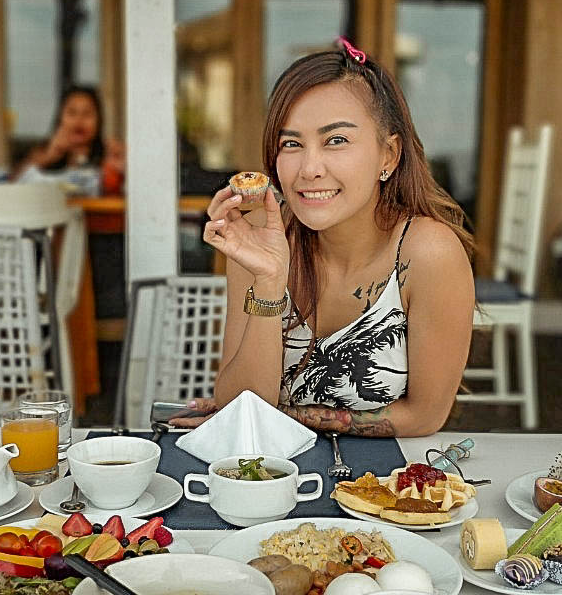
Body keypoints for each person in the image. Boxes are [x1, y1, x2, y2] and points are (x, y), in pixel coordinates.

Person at [181, 38, 476, 438]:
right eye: (291, 144)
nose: (309, 168)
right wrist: (269, 279)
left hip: (386, 474)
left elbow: (425, 416)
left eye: (336, 140)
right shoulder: (259, 239)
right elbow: (239, 407)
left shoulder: (427, 252)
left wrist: (290, 415)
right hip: (273, 471)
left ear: (388, 156)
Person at [14, 85, 125, 194]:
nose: (79, 120)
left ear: (99, 120)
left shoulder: (109, 154)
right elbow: (14, 184)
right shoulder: (43, 156)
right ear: (60, 118)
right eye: (72, 112)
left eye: (87, 113)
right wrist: (49, 155)